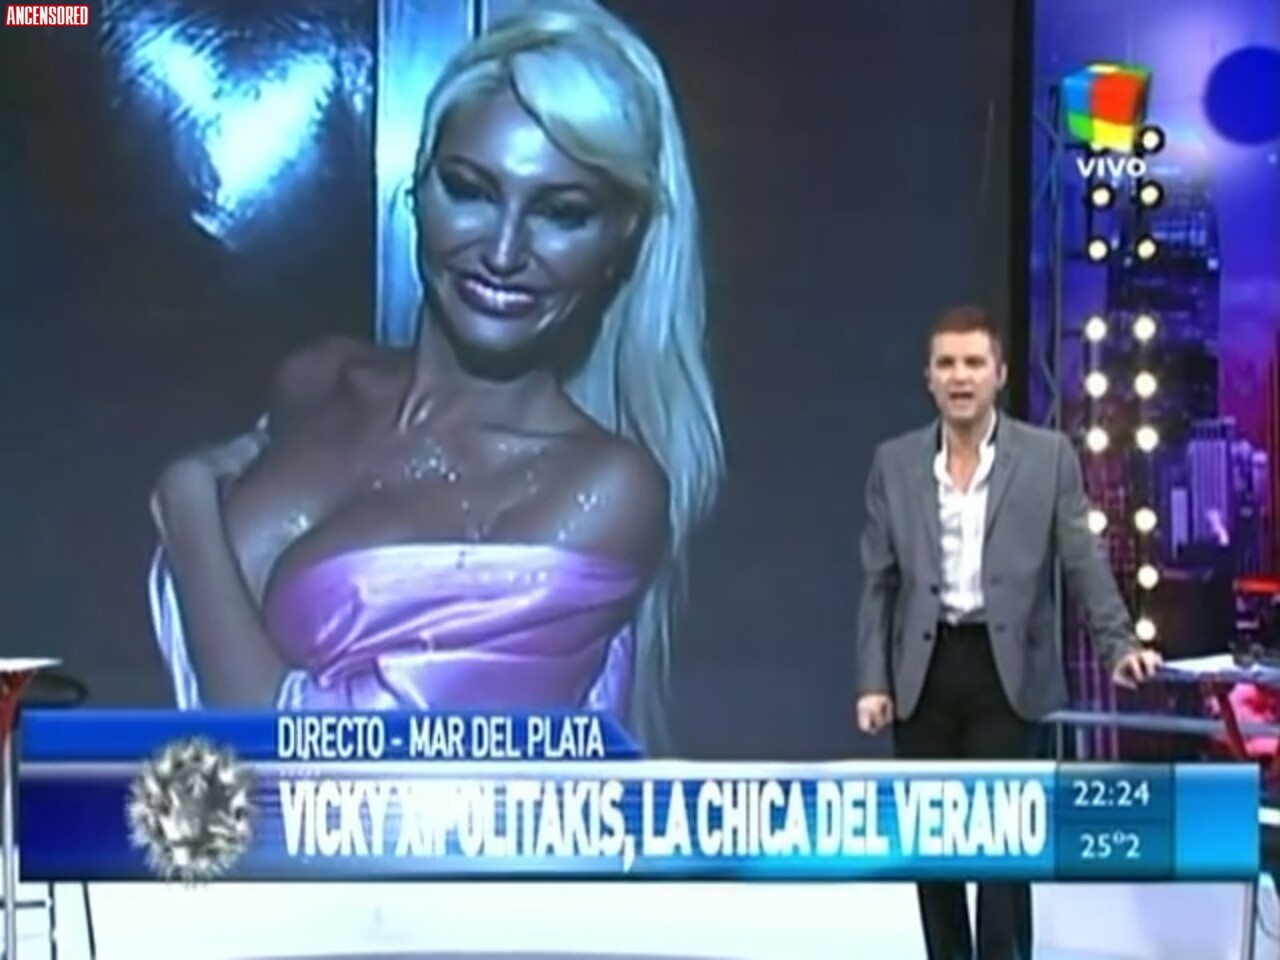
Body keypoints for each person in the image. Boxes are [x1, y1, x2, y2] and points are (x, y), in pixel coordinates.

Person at [148, 0, 724, 748]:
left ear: (623, 242)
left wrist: (188, 506)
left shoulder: (604, 492)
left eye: (561, 212)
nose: (504, 252)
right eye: (471, 190)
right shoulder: (317, 380)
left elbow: (318, 763)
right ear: (418, 187)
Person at [853, 306, 1161, 960]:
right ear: (929, 378)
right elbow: (879, 581)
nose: (959, 376)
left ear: (999, 373)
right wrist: (874, 682)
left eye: (973, 363)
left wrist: (1118, 644)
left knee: (1004, 846)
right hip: (924, 676)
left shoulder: (1048, 458)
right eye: (946, 364)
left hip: (1009, 676)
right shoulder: (895, 463)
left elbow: (1081, 560)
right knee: (932, 847)